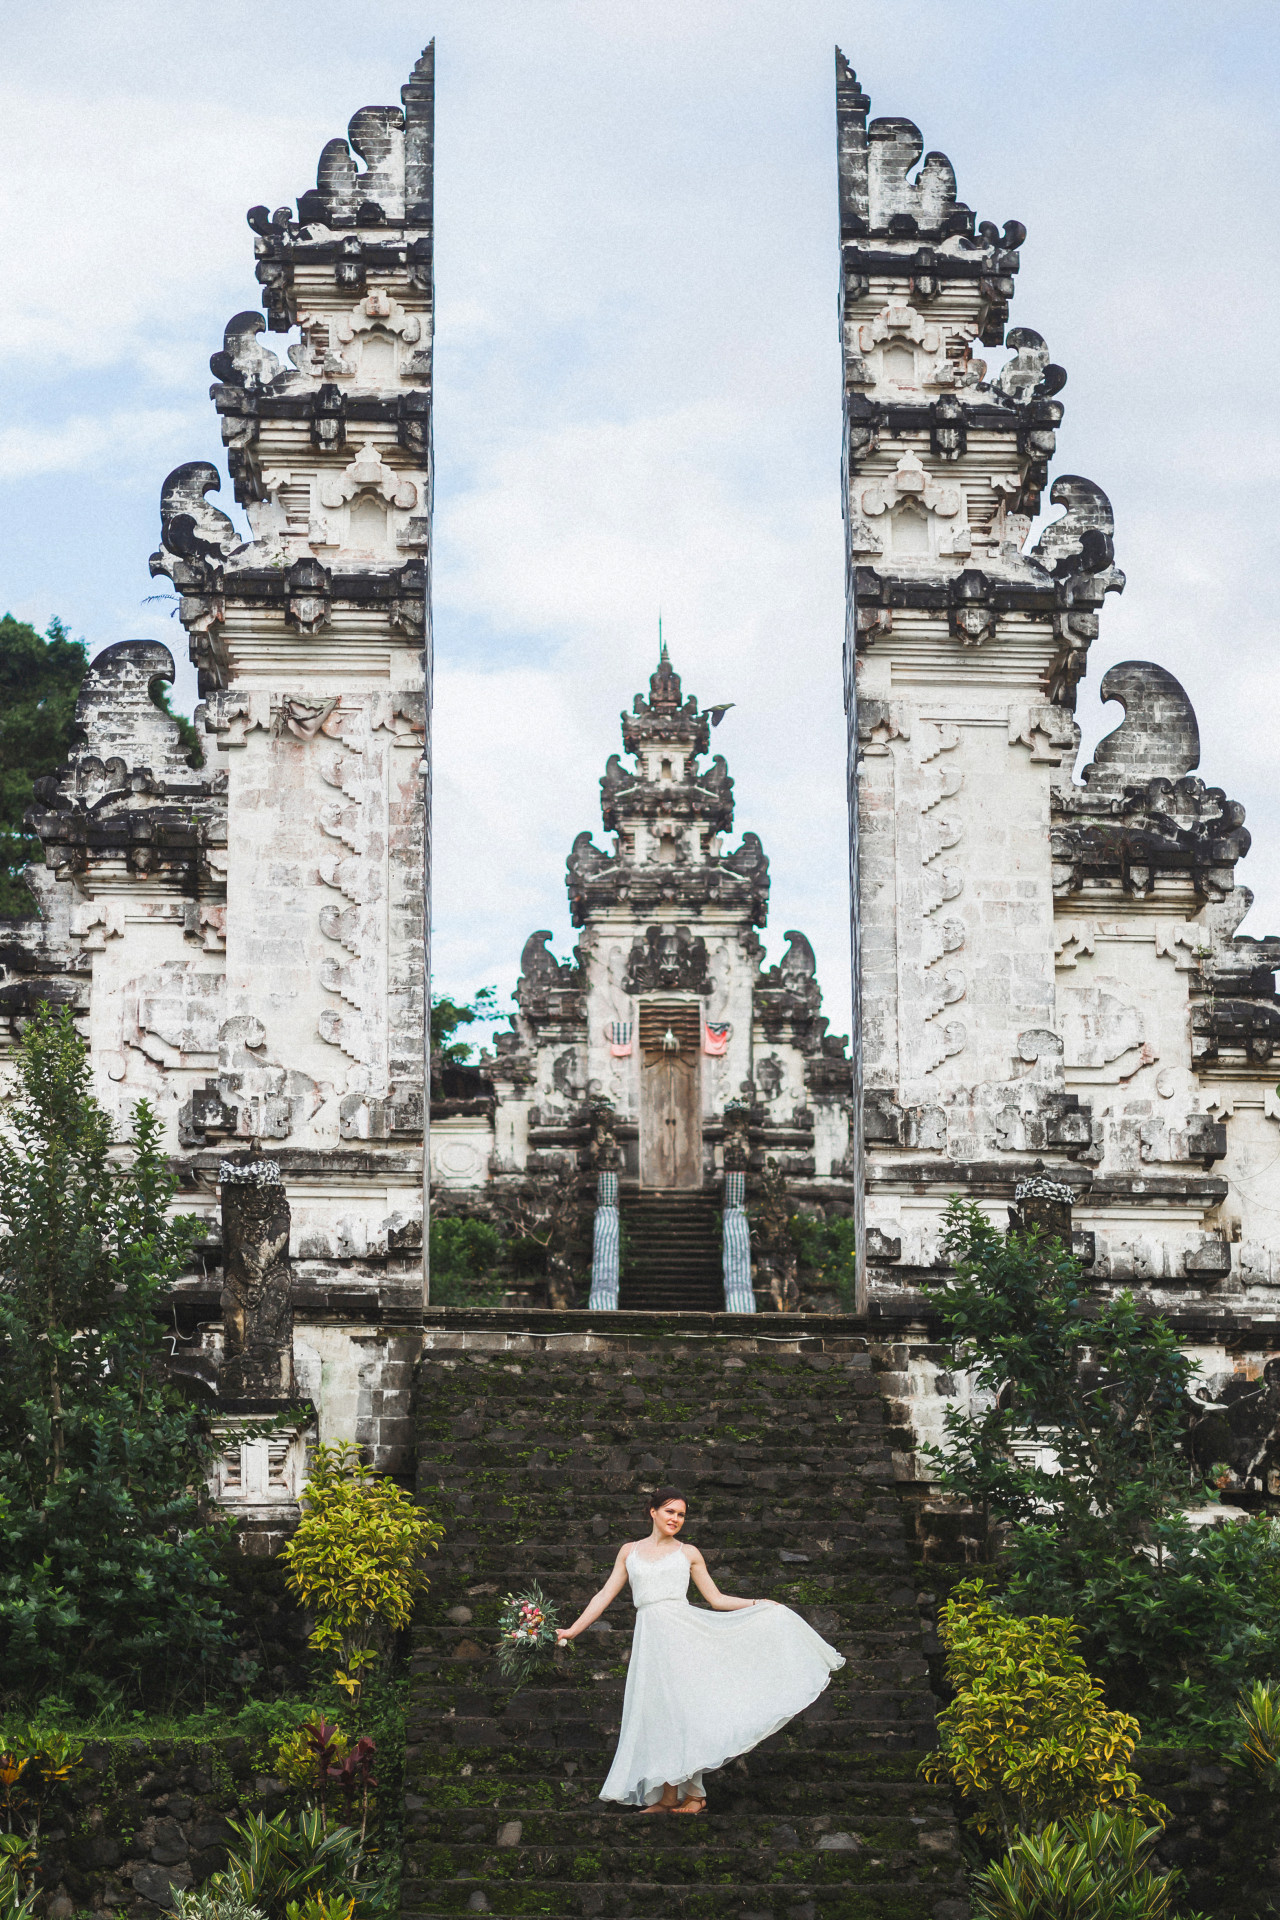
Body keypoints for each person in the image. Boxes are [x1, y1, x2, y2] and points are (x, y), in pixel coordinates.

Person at [555, 1486, 844, 1814]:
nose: (675, 1519)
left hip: (683, 1637)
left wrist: (757, 1603)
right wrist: (573, 1629)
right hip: (651, 1640)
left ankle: (692, 1797)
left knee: (681, 1711)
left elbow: (716, 1599)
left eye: (681, 1514)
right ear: (653, 1511)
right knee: (659, 1714)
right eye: (670, 1511)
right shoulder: (629, 1551)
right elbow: (604, 1595)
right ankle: (670, 1797)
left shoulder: (688, 1553)